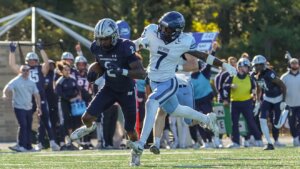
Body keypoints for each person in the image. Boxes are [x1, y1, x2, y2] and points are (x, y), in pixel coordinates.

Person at [127, 11, 236, 166]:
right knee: (176, 110)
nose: (163, 31)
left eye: (168, 29)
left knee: (151, 103)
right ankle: (206, 119)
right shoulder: (151, 30)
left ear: (177, 32)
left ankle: (140, 145)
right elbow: (135, 43)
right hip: (153, 81)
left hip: (169, 82)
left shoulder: (185, 41)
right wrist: (136, 44)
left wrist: (223, 65)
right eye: (162, 27)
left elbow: (203, 56)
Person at [69, 18, 146, 163]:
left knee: (130, 130)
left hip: (127, 91)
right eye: (100, 39)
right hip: (109, 88)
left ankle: (135, 152)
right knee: (86, 118)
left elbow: (141, 73)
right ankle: (89, 127)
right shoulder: (96, 47)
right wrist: (94, 69)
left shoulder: (125, 47)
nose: (103, 42)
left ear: (115, 36)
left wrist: (121, 71)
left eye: (106, 39)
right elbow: (101, 63)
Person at [8, 42, 60, 151]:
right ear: (27, 61)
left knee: (46, 120)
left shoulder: (41, 69)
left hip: (39, 97)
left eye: (34, 60)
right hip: (27, 98)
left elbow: (46, 63)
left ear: (37, 61)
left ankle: (53, 142)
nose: (32, 62)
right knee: (24, 123)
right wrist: (12, 52)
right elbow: (13, 65)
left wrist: (41, 50)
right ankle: (22, 144)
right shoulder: (24, 70)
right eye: (30, 61)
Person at [223, 58, 263, 148]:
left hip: (247, 102)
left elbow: (255, 88)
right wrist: (230, 86)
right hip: (235, 103)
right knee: (234, 123)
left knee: (251, 122)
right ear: (240, 67)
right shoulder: (232, 76)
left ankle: (258, 140)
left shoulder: (250, 78)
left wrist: (254, 95)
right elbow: (224, 86)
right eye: (246, 67)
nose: (248, 69)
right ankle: (236, 142)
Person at [3, 65, 41, 152]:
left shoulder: (31, 82)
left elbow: (37, 95)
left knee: (28, 126)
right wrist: (5, 94)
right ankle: (20, 145)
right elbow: (7, 88)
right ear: (20, 71)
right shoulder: (16, 81)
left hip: (29, 107)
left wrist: (39, 107)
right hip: (18, 107)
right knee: (23, 125)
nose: (26, 72)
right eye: (23, 70)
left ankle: (28, 146)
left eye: (27, 70)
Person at [252, 55, 287, 150]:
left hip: (277, 98)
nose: (257, 67)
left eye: (259, 65)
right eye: (256, 65)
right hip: (267, 98)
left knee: (277, 125)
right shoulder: (255, 75)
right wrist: (257, 102)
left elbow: (283, 86)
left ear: (263, 65)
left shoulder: (270, 74)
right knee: (262, 119)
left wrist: (283, 101)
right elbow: (259, 87)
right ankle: (269, 143)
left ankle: (286, 111)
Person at [55, 61, 82, 150]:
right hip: (63, 103)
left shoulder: (72, 80)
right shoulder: (60, 81)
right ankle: (64, 141)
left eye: (68, 69)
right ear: (61, 71)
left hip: (73, 104)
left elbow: (77, 90)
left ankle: (73, 140)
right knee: (64, 121)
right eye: (65, 70)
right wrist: (69, 99)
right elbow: (59, 93)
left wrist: (77, 96)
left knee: (73, 121)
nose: (67, 71)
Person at [280, 58, 300, 146]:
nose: (294, 65)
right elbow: (280, 89)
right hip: (289, 105)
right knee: (292, 123)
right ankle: (295, 138)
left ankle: (298, 138)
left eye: (296, 63)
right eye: (292, 63)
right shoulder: (284, 77)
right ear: (289, 65)